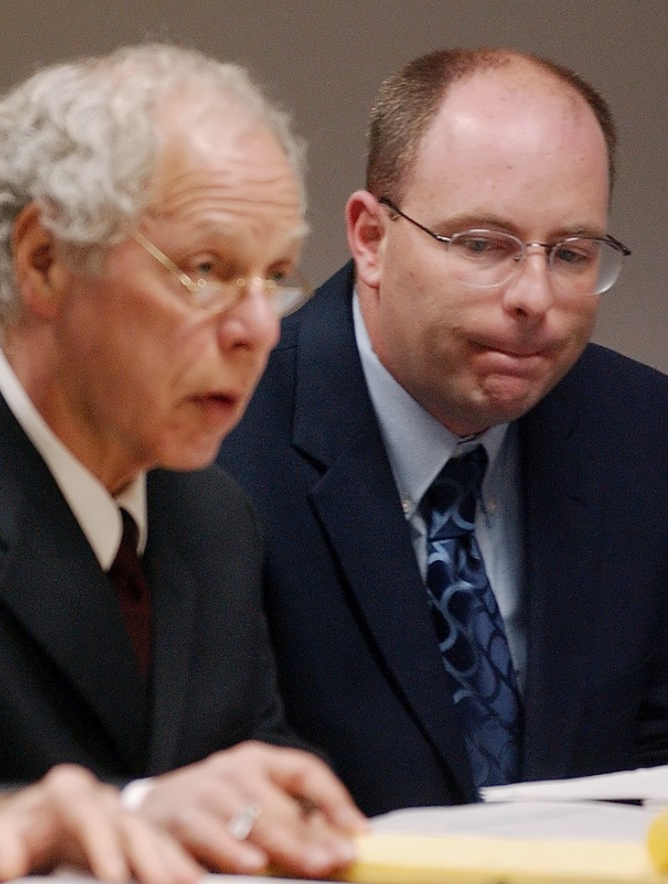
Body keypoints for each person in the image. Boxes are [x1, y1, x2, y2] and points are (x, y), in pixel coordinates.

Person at [0, 43, 367, 884]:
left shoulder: (216, 516)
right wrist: (10, 824)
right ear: (45, 260)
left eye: (274, 277)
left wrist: (281, 800)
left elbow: (242, 758)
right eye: (207, 270)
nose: (260, 329)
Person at [219, 48, 668, 816]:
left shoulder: (644, 436)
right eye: (483, 244)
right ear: (370, 238)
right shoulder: (221, 442)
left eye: (571, 253)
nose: (535, 297)